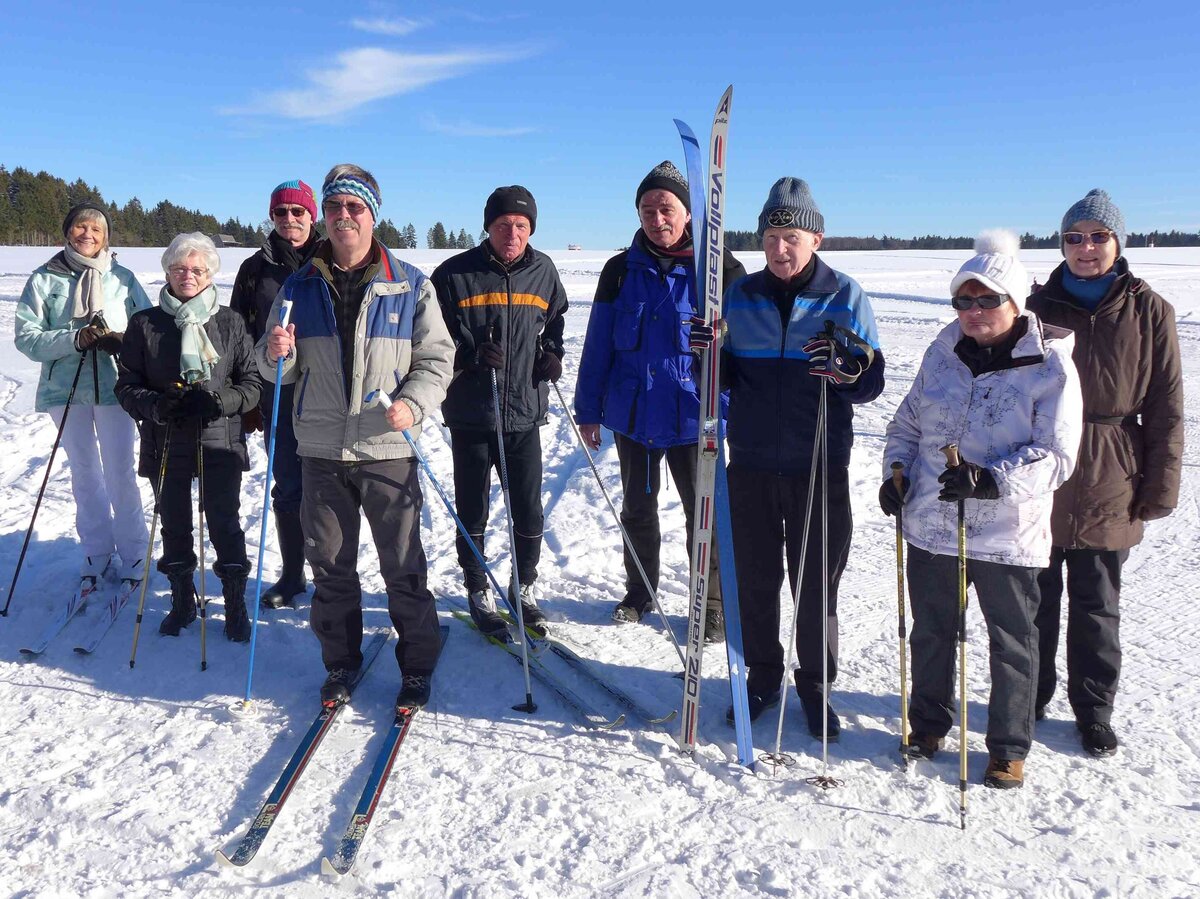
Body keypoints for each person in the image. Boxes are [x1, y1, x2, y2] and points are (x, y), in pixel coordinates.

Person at [881, 230, 1082, 789]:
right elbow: (906, 424)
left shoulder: (1050, 365)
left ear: (1015, 302)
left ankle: (1008, 747)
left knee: (1012, 643)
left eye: (987, 299)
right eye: (964, 301)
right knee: (932, 631)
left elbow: (1058, 455)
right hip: (933, 522)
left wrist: (992, 480)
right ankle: (927, 724)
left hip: (1007, 533)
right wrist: (895, 474)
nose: (974, 311)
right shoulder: (941, 353)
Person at [260, 163, 454, 710]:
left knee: (401, 564)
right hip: (320, 447)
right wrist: (275, 353)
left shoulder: (409, 283)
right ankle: (340, 663)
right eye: (336, 207)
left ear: (372, 214)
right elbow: (278, 370)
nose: (344, 217)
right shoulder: (299, 285)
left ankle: (417, 662)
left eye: (355, 207)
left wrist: (413, 404)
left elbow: (438, 358)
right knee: (330, 567)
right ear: (325, 214)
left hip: (386, 447)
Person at [718, 178, 884, 739]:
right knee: (757, 578)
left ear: (815, 238)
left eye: (791, 237)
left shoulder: (845, 294)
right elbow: (727, 379)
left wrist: (846, 369)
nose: (780, 249)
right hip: (753, 463)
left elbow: (869, 383)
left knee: (815, 582)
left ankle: (815, 684)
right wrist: (705, 354)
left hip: (819, 463)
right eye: (770, 238)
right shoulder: (742, 296)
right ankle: (763, 674)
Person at [1027, 190, 1184, 757]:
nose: (1086, 248)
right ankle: (1029, 695)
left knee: (1096, 603)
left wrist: (1159, 484)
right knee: (1033, 597)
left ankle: (1093, 709)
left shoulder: (1150, 310)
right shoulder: (1035, 308)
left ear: (1118, 242)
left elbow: (1166, 407)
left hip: (1114, 465)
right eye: (1075, 237)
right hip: (1043, 467)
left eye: (1098, 236)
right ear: (1062, 244)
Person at [574, 160, 745, 641]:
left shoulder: (722, 270)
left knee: (704, 513)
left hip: (696, 418)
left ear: (688, 213)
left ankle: (710, 603)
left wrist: (722, 345)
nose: (657, 218)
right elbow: (599, 344)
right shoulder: (619, 270)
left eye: (666, 208)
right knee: (638, 509)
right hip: (635, 417)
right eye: (647, 209)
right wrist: (589, 410)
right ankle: (640, 590)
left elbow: (744, 347)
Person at [430, 185, 567, 638]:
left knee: (527, 511)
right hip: (472, 413)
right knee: (474, 511)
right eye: (504, 224)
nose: (513, 233)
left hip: (523, 412)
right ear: (488, 226)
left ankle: (523, 585)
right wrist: (467, 359)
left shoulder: (543, 271)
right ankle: (477, 587)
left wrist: (552, 351)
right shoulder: (453, 274)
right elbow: (431, 341)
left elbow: (556, 319)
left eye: (522, 226)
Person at [115, 233, 262, 641]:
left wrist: (217, 401)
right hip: (165, 441)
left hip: (220, 440)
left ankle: (235, 604)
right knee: (174, 524)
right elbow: (126, 386)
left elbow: (251, 384)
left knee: (224, 523)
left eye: (197, 269)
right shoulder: (145, 323)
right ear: (167, 271)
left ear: (211, 273)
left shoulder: (230, 322)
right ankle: (181, 601)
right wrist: (156, 405)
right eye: (180, 268)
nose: (188, 276)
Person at [14, 202, 152, 587]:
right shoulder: (44, 279)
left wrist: (121, 341)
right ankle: (96, 549)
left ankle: (135, 551)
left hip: (115, 388)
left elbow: (147, 331)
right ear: (67, 231)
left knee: (120, 471)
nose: (87, 234)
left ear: (106, 236)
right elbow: (27, 338)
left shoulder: (122, 278)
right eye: (80, 227)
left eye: (96, 229)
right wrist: (73, 338)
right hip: (65, 390)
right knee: (84, 472)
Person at [230, 179, 319, 609]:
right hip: (275, 392)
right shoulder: (254, 269)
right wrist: (247, 397)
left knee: (332, 486)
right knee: (287, 485)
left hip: (326, 391)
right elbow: (237, 334)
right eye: (281, 213)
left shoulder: (331, 257)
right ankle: (292, 573)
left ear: (312, 215)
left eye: (297, 212)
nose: (289, 220)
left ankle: (332, 574)